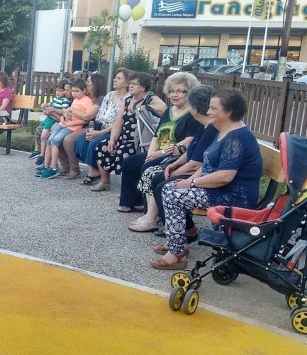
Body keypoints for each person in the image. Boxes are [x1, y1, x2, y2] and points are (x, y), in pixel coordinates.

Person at [151, 89, 263, 270]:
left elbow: (224, 176)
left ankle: (177, 253)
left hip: (235, 195)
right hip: (220, 190)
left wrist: (191, 183)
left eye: (213, 108)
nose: (208, 112)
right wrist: (188, 180)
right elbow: (208, 165)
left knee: (172, 195)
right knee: (170, 188)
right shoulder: (224, 131)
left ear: (228, 112)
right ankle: (178, 245)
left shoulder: (236, 138)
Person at [135, 85, 216, 235]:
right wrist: (175, 164)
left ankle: (184, 229)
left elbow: (197, 164)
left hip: (202, 174)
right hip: (189, 165)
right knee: (154, 173)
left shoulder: (211, 128)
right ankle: (170, 224)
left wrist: (175, 172)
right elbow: (190, 152)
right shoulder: (204, 126)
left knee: (162, 184)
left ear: (195, 109)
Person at [121, 72, 201, 222]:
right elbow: (156, 136)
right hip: (160, 151)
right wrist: (151, 152)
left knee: (148, 166)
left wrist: (159, 153)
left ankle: (152, 213)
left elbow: (189, 140)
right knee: (131, 162)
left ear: (189, 93)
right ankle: (132, 202)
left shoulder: (192, 113)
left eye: (180, 91)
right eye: (171, 91)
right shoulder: (168, 111)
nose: (174, 95)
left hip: (176, 153)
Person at [91, 72, 166, 191]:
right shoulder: (127, 100)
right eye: (130, 83)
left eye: (134, 84)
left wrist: (141, 107)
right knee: (101, 146)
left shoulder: (151, 98)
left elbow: (163, 109)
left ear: (143, 87)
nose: (130, 86)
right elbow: (118, 123)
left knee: (123, 153)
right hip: (123, 137)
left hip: (139, 140)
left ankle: (128, 189)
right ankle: (104, 181)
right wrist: (112, 139)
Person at [72, 71, 128, 184]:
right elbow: (100, 114)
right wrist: (93, 128)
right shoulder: (110, 95)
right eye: (115, 77)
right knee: (82, 140)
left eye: (118, 78)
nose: (114, 80)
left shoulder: (128, 98)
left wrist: (99, 133)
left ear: (127, 83)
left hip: (113, 131)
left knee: (94, 143)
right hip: (100, 126)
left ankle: (94, 173)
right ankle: (94, 170)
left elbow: (119, 123)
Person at [55, 73, 106, 179]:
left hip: (91, 126)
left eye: (88, 81)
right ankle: (66, 167)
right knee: (57, 138)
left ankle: (75, 169)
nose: (86, 83)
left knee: (68, 140)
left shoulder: (100, 99)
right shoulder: (83, 96)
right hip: (79, 124)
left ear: (95, 84)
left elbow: (87, 116)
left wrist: (71, 110)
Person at [39, 79, 93, 178]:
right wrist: (64, 117)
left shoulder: (87, 101)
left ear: (84, 90)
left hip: (73, 127)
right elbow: (68, 112)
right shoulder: (75, 100)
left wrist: (72, 122)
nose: (74, 93)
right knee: (49, 140)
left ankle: (53, 168)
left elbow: (86, 119)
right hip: (64, 124)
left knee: (55, 141)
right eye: (73, 91)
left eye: (77, 91)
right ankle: (46, 167)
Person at [29, 79, 71, 161]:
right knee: (38, 130)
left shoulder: (66, 101)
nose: (58, 92)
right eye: (57, 90)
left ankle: (44, 157)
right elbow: (50, 104)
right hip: (52, 118)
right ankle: (38, 152)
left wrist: (53, 111)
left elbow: (63, 113)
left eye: (61, 91)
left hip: (59, 121)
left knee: (45, 136)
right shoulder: (56, 99)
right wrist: (45, 106)